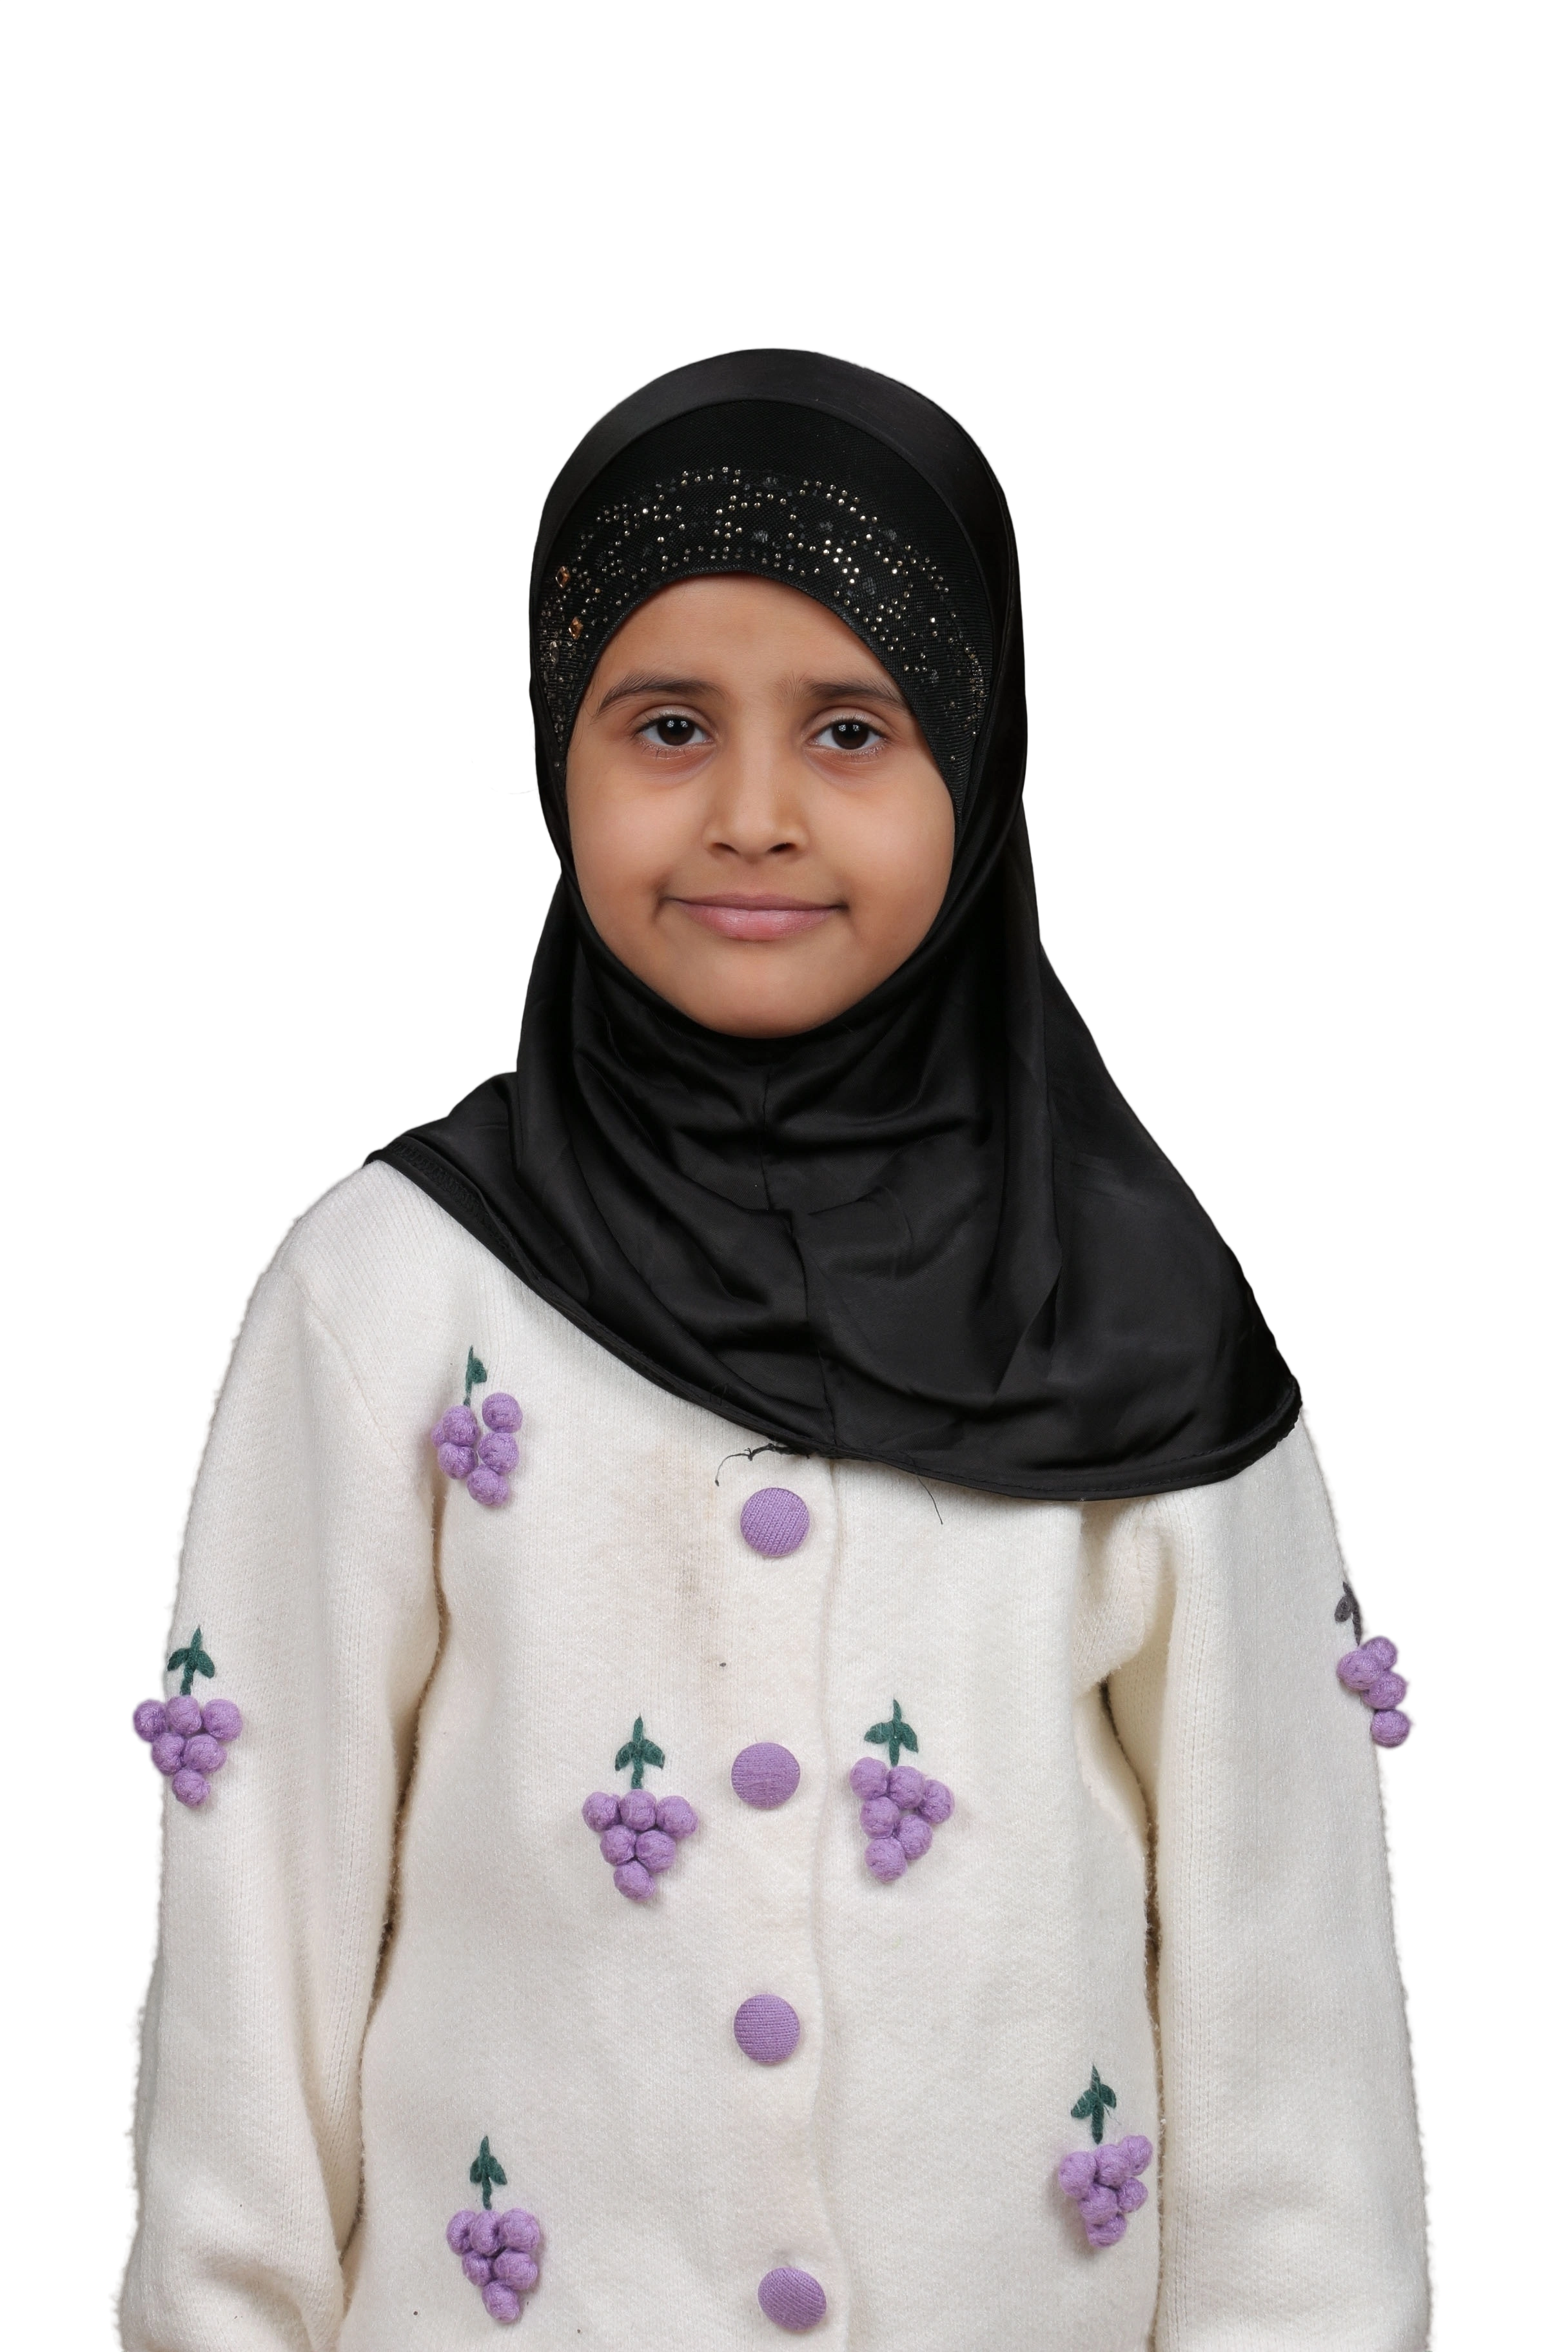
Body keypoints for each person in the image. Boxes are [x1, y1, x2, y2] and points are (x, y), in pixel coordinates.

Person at [109, 346, 1438, 2350]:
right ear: (553, 748)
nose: (752, 815)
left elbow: (1292, 2018)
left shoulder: (1140, 1318)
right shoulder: (394, 1291)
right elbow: (255, 1934)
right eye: (666, 725)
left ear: (978, 763)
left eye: (850, 729)